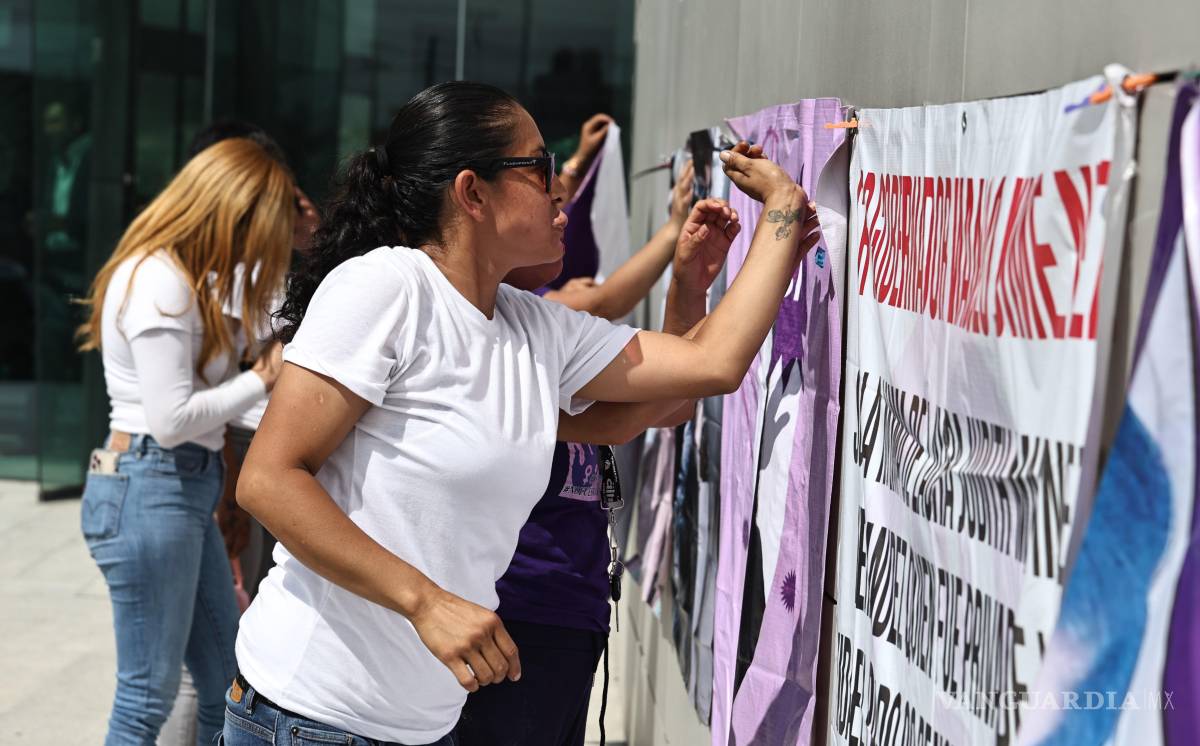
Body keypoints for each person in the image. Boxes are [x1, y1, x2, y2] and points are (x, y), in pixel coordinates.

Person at [226, 80, 819, 746]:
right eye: (539, 167)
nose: (559, 188)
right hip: (308, 715)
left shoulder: (536, 327)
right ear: (472, 193)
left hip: (424, 727)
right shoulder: (387, 287)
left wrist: (765, 233)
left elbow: (701, 373)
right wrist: (426, 602)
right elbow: (268, 480)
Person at [455, 165, 701, 746]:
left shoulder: (548, 329)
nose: (564, 217)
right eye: (551, 201)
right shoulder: (514, 325)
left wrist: (689, 286)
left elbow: (670, 406)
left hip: (568, 613)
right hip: (516, 620)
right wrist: (674, 236)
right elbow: (613, 304)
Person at [75, 137, 295, 746]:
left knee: (226, 681)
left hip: (175, 484)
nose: (262, 248)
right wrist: (263, 376)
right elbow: (171, 420)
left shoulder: (187, 279)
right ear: (232, 212)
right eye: (263, 230)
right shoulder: (161, 280)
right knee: (146, 697)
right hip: (151, 482)